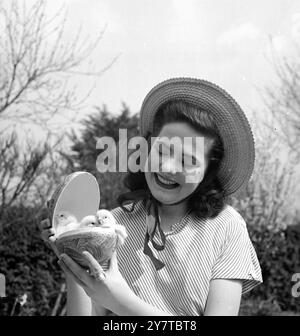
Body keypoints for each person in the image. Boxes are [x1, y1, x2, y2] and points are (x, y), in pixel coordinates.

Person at [40, 78, 262, 316]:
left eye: (187, 160)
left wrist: (121, 302)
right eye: (161, 150)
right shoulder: (112, 227)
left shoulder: (227, 227)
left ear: (208, 172)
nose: (167, 167)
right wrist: (72, 251)